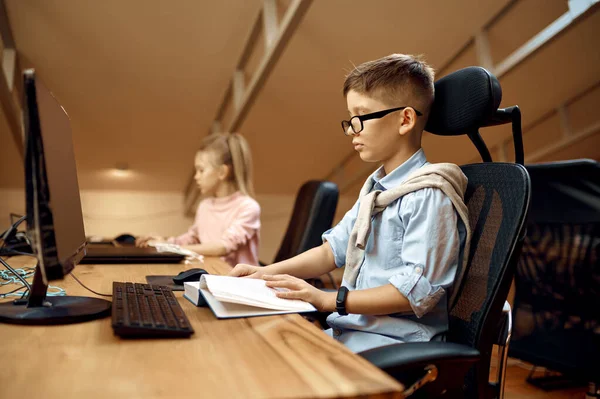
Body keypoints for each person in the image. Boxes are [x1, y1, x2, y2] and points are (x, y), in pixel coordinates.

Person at [229, 54, 472, 353]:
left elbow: (412, 293)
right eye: (350, 119)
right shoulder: (376, 189)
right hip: (351, 332)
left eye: (361, 116)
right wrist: (264, 273)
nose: (352, 129)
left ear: (405, 119)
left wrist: (327, 299)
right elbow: (332, 251)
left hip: (395, 344)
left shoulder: (429, 195)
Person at [137, 133, 260, 267]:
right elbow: (192, 238)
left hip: (239, 281)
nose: (196, 177)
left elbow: (222, 247)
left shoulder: (248, 207)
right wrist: (164, 241)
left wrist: (170, 248)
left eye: (201, 170)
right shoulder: (205, 206)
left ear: (222, 172)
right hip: (211, 273)